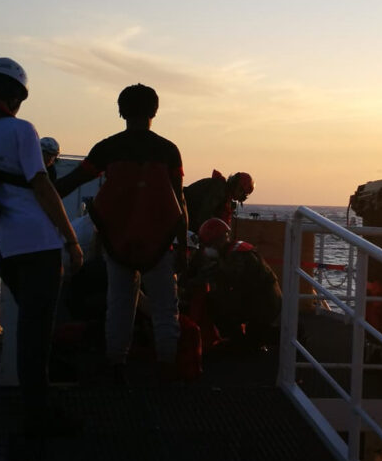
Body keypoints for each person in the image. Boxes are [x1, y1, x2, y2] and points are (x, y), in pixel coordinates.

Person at [0, 57, 83, 436]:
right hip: (39, 245)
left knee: (26, 328)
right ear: (17, 97)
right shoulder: (21, 130)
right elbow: (41, 185)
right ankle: (38, 418)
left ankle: (34, 408)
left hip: (3, 247)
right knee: (35, 335)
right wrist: (71, 239)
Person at [55, 83, 187, 381]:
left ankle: (117, 366)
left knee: (119, 306)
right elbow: (179, 201)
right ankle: (167, 369)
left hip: (117, 243)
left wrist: (37, 191)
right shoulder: (168, 151)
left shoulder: (107, 148)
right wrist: (183, 246)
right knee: (166, 309)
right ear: (155, 111)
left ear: (120, 111)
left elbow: (71, 183)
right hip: (161, 243)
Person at [185, 217, 281, 352]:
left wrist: (215, 268)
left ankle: (240, 341)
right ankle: (243, 340)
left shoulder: (237, 255)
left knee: (214, 304)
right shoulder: (234, 251)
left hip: (263, 305)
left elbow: (233, 279)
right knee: (253, 335)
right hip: (262, 302)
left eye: (209, 245)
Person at [183, 170, 254, 228]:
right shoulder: (218, 189)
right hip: (183, 219)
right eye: (240, 190)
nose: (240, 195)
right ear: (234, 183)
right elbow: (204, 217)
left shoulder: (225, 198)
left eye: (243, 194)